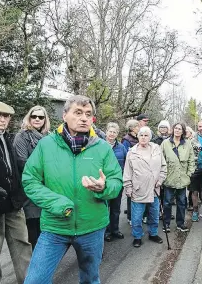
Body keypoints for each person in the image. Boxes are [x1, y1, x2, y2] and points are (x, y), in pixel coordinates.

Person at [22, 95, 123, 283]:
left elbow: (117, 181)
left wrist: (104, 187)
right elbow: (30, 180)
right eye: (78, 113)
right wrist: (58, 203)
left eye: (88, 114)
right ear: (65, 115)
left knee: (90, 278)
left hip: (92, 227)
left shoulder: (102, 148)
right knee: (35, 280)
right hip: (55, 226)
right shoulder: (47, 145)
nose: (84, 118)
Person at [0, 101, 31, 284]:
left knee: (22, 245)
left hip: (13, 202)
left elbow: (14, 167)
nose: (2, 120)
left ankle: (29, 281)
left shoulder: (7, 137)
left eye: (6, 116)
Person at [13, 105, 51, 249]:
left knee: (46, 226)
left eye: (40, 117)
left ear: (44, 119)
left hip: (48, 187)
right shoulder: (22, 136)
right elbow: (22, 162)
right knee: (32, 229)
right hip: (30, 188)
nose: (37, 119)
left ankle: (45, 259)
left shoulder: (50, 137)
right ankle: (34, 263)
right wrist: (46, 171)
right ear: (29, 118)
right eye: (34, 116)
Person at [123, 126, 167, 248]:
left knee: (154, 214)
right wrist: (128, 187)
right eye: (141, 135)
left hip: (154, 188)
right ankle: (137, 236)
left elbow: (163, 167)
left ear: (150, 137)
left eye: (146, 135)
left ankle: (153, 234)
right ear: (137, 136)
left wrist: (161, 179)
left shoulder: (156, 149)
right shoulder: (132, 152)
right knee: (136, 217)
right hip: (138, 189)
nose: (143, 137)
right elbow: (127, 172)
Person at [161, 122, 195, 232]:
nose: (177, 130)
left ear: (183, 131)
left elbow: (191, 160)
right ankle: (166, 224)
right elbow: (161, 160)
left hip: (182, 178)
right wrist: (162, 176)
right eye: (175, 128)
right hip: (169, 177)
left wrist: (189, 174)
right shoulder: (165, 143)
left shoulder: (187, 143)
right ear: (173, 129)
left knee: (181, 202)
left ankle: (180, 223)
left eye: (180, 129)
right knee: (167, 202)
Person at [104, 122, 128, 242]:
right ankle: (106, 231)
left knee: (116, 208)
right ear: (106, 132)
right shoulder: (100, 145)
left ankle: (115, 229)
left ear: (117, 134)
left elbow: (126, 163)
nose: (112, 134)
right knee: (105, 208)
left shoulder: (121, 147)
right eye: (110, 131)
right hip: (105, 183)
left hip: (118, 182)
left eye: (114, 132)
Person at [189, 120, 202, 221]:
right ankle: (195, 211)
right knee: (195, 191)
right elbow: (189, 154)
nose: (201, 128)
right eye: (200, 126)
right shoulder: (192, 140)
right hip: (196, 169)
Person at [121, 119, 140, 224]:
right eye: (137, 126)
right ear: (132, 128)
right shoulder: (126, 140)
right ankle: (130, 216)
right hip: (131, 170)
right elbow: (125, 157)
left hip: (139, 170)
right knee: (130, 194)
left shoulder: (138, 138)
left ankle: (138, 216)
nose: (139, 128)